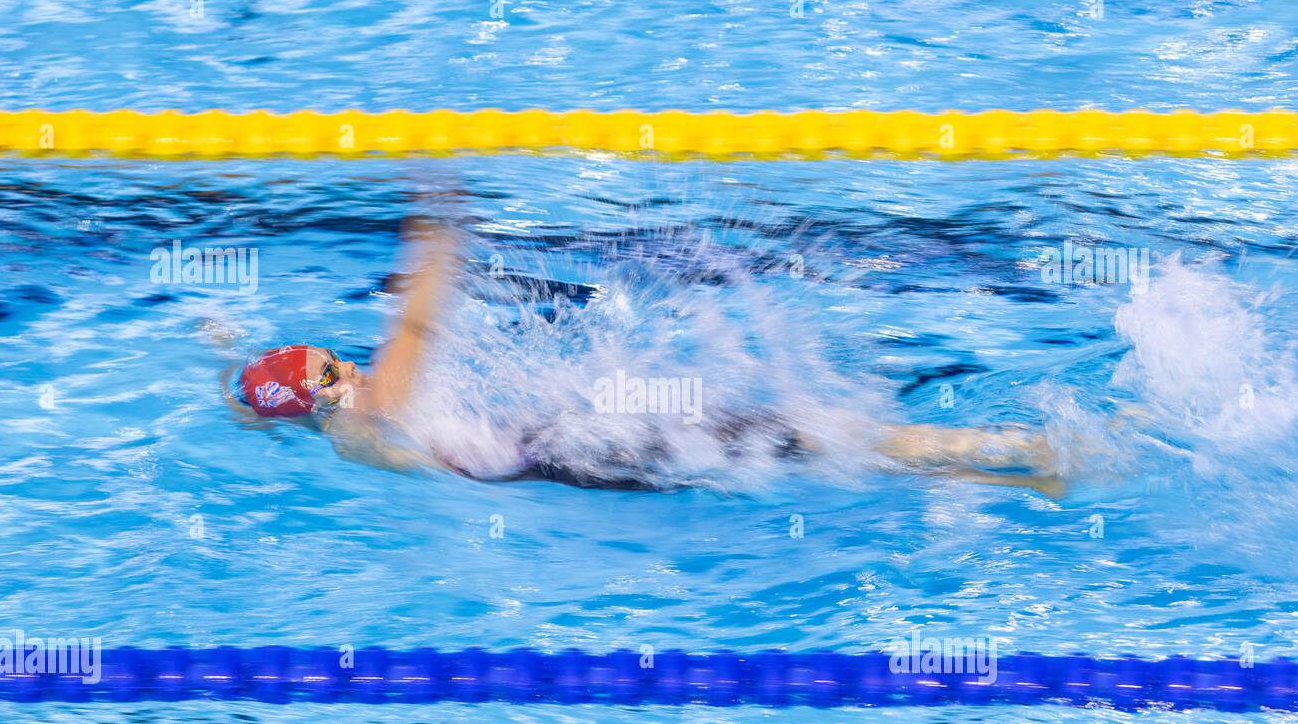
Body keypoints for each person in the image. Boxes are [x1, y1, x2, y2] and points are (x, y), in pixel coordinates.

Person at [232, 217, 1063, 494]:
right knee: (810, 434)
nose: (354, 368)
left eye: (341, 356)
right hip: (589, 448)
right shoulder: (364, 420)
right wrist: (433, 235)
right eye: (334, 374)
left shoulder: (340, 426)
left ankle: (997, 471)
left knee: (807, 440)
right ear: (324, 402)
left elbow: (263, 402)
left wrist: (229, 361)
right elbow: (412, 339)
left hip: (583, 436)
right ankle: (1025, 458)